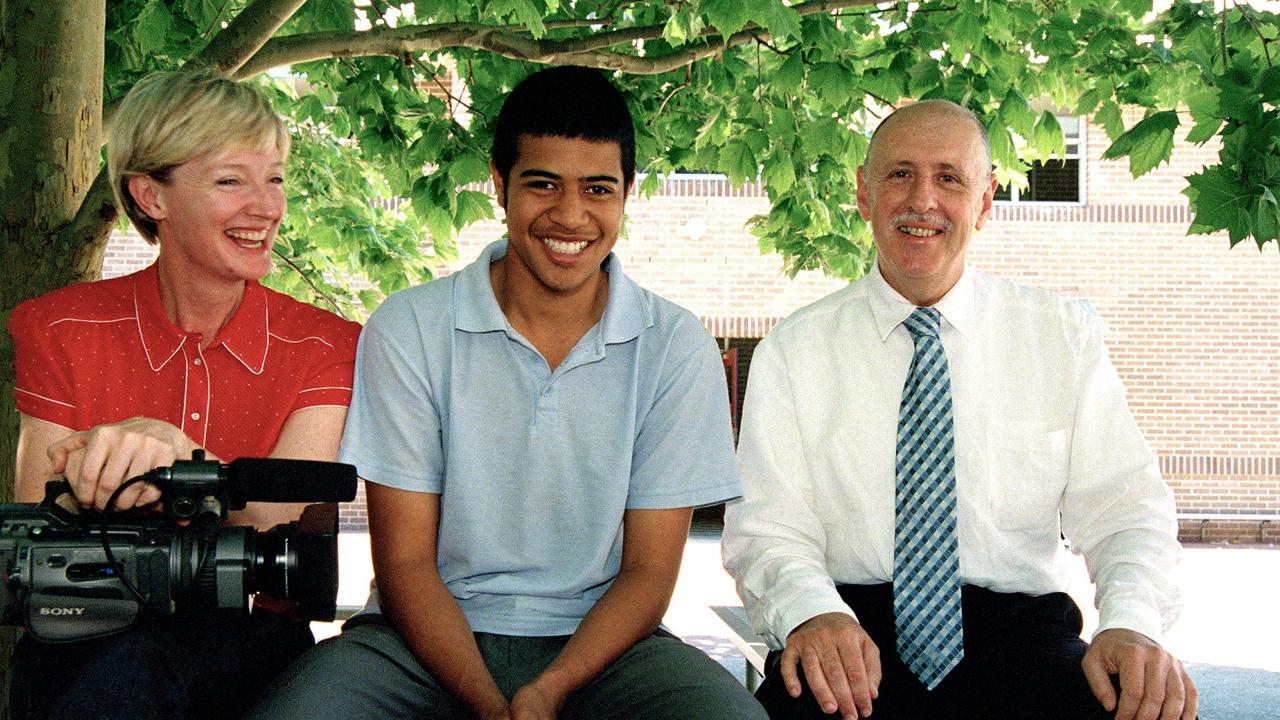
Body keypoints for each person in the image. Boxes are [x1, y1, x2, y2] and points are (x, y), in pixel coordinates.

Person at [244, 65, 765, 720]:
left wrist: (553, 688)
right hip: (418, 639)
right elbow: (405, 564)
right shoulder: (409, 329)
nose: (570, 215)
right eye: (542, 184)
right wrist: (491, 707)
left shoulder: (675, 345)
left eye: (597, 188)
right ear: (499, 184)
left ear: (627, 193)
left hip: (608, 644)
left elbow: (649, 574)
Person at [722, 99, 1197, 720]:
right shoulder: (796, 349)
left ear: (984, 201)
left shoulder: (1061, 338)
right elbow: (768, 527)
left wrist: (1133, 623)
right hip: (850, 637)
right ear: (864, 194)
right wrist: (811, 611)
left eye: (949, 177)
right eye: (899, 175)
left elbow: (1126, 510)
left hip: (1022, 638)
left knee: (1146, 705)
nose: (923, 200)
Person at [7, 69, 361, 720]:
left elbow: (270, 533)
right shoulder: (58, 326)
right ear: (151, 195)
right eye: (232, 180)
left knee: (135, 668)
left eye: (274, 178)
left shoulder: (327, 344)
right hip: (85, 624)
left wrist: (176, 459)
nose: (267, 207)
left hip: (246, 641)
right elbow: (39, 537)